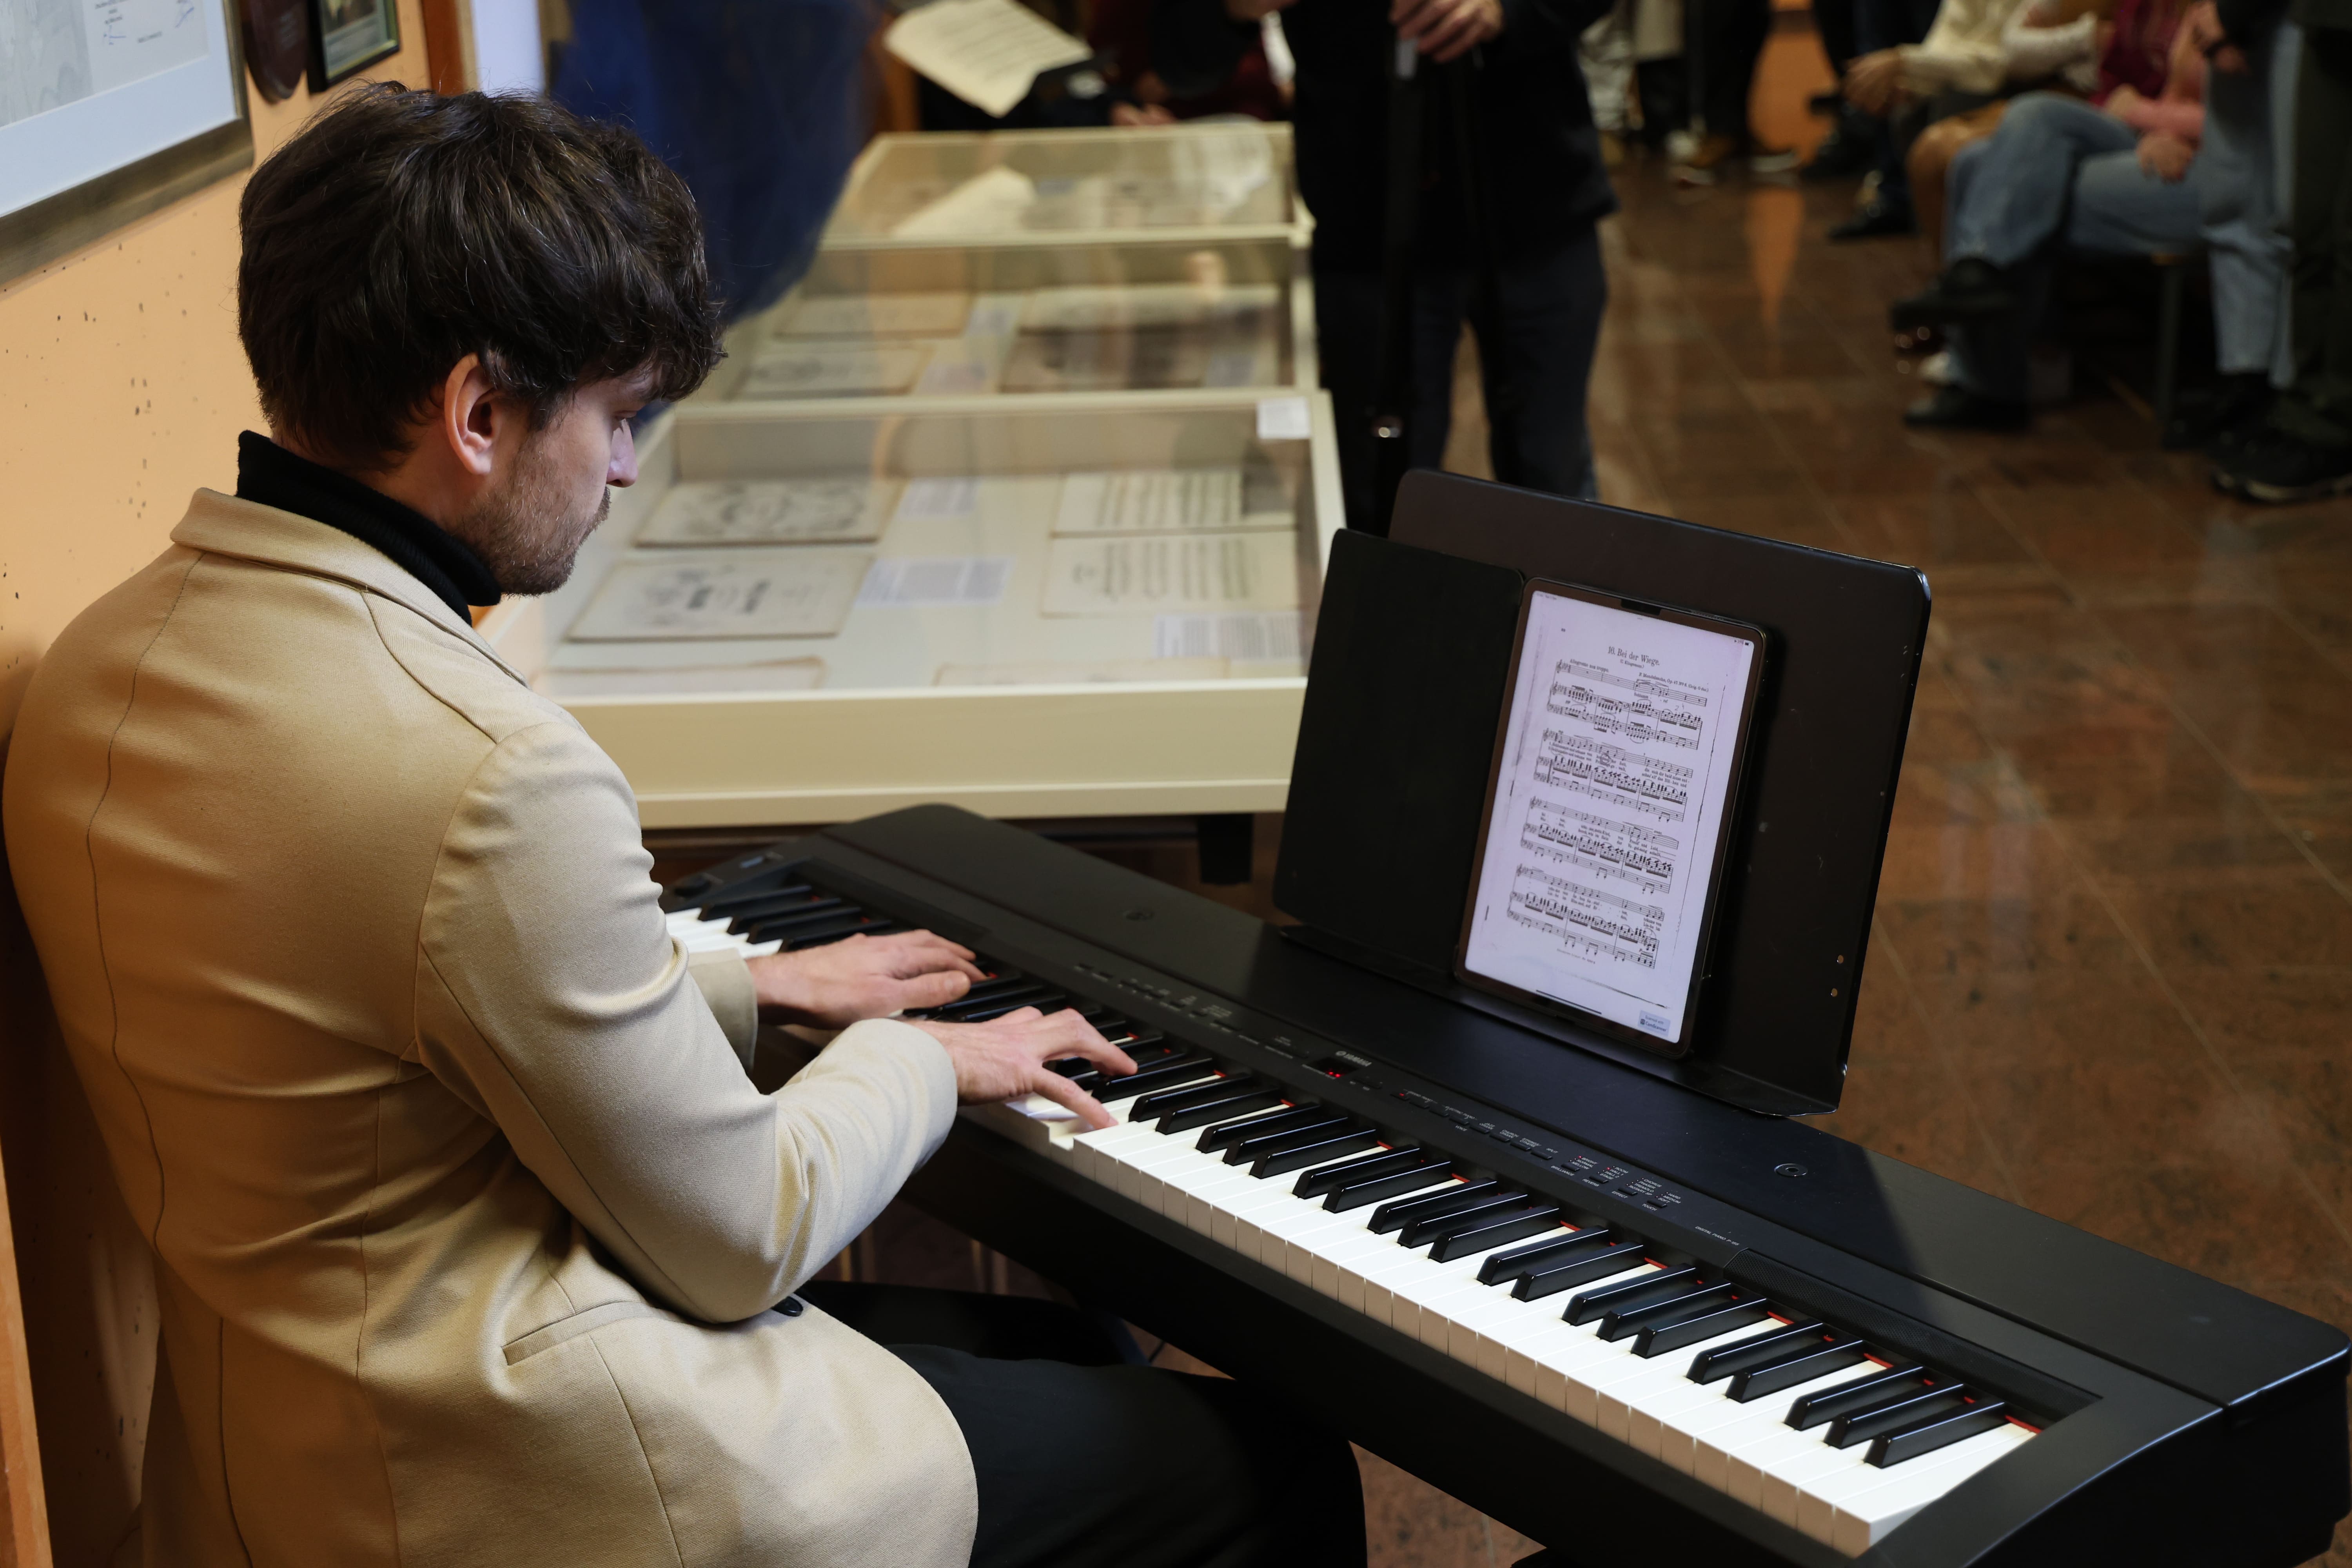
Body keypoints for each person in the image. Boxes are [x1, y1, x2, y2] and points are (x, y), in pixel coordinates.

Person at [1, 86, 1366, 1568]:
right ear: (477, 414)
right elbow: (742, 1234)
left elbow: (358, 996)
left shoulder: (95, 666)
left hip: (268, 1465)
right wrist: (918, 1059)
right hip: (531, 1486)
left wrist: (741, 985)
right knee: (1269, 1464)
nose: (628, 466)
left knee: (1062, 1353)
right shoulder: (489, 767)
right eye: (615, 414)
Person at [1154, 0, 1617, 522]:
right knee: (1387, 493)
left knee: (1553, 480)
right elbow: (1183, 59)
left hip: (1534, 197)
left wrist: (1507, 9)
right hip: (1369, 220)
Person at [1892, 0, 2289, 431]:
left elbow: (2254, 126)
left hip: (2209, 167)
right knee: (1999, 143)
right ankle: (1978, 283)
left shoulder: (2244, 15)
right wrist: (2143, 120)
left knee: (2015, 186)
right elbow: (2112, 81)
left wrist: (2147, 117)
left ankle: (1996, 367)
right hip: (2150, 135)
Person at [1829, 0, 2038, 238]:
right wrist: (1909, 84)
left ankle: (1975, 239)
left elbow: (1998, 66)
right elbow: (1943, 43)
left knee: (1950, 107)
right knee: (1906, 114)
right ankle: (1928, 226)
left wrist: (1905, 63)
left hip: (2018, 87)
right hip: (1977, 75)